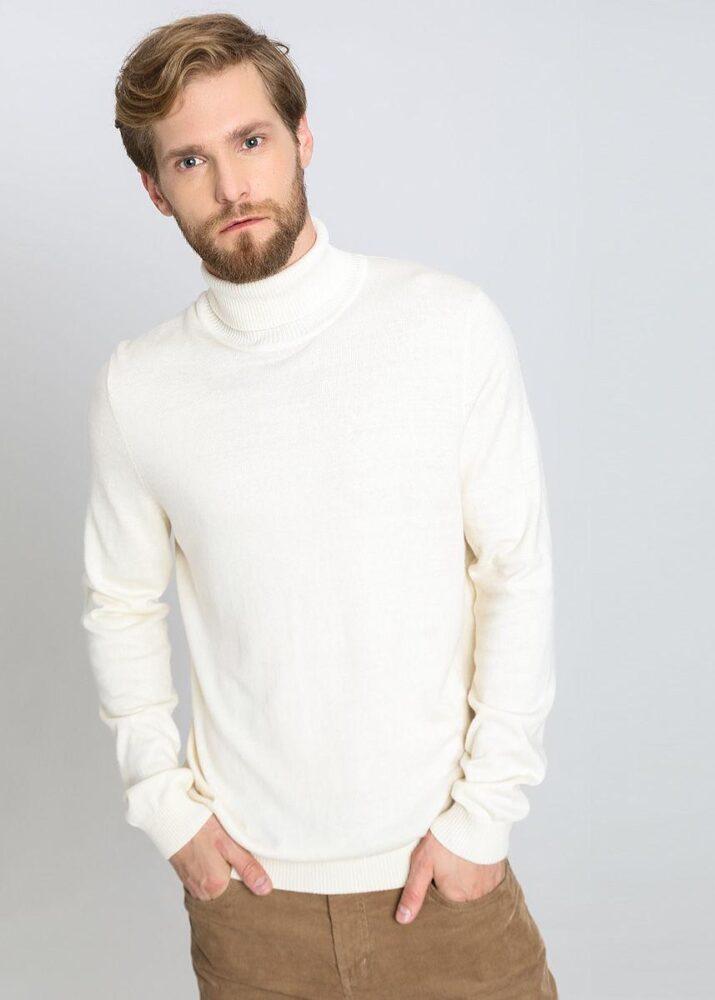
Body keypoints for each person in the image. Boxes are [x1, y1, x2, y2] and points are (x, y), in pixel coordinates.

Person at [82, 12, 558, 998]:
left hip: (443, 885)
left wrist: (485, 818)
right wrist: (166, 808)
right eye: (190, 161)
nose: (231, 186)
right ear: (154, 189)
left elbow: (514, 573)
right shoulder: (141, 386)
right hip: (253, 910)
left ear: (302, 138)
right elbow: (120, 604)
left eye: (250, 140)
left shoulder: (447, 328)